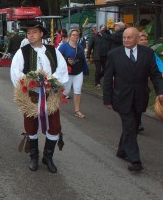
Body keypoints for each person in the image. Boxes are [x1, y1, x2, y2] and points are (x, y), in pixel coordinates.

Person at [10, 20, 68, 173]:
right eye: (28, 33)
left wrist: (50, 81)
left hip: (51, 95)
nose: (31, 35)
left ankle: (48, 157)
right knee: (30, 126)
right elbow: (16, 72)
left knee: (55, 126)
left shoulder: (53, 50)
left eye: (34, 32)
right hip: (31, 95)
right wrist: (30, 82)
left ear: (41, 34)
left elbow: (62, 69)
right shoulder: (22, 52)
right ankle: (34, 156)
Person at [103, 27, 163, 172]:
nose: (125, 40)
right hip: (121, 97)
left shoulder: (148, 53)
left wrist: (160, 92)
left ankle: (122, 151)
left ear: (136, 39)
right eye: (124, 37)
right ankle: (135, 160)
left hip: (140, 97)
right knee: (129, 125)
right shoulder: (114, 54)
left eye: (129, 37)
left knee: (134, 126)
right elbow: (107, 78)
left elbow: (155, 75)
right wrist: (107, 99)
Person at [58, 29, 89, 118]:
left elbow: (82, 58)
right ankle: (54, 105)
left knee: (77, 90)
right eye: (73, 35)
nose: (75, 37)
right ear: (69, 36)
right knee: (65, 92)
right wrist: (67, 60)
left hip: (78, 72)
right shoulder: (64, 46)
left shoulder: (80, 47)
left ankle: (77, 110)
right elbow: (57, 58)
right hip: (68, 73)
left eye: (77, 35)